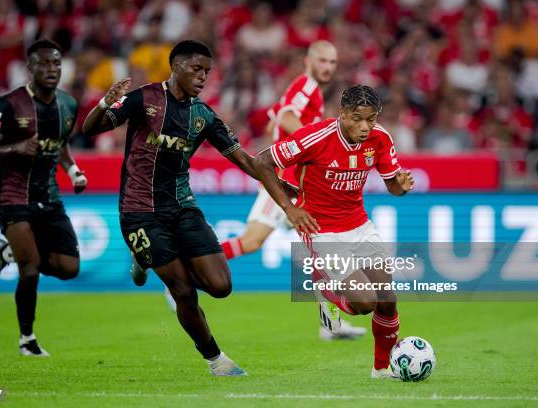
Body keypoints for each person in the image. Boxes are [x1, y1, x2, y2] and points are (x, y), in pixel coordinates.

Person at [81, 40, 290, 376]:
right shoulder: (144, 99)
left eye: (207, 71)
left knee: (221, 286)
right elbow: (90, 129)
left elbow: (245, 161)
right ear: (176, 65)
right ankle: (216, 360)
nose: (203, 76)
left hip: (183, 207)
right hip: (140, 211)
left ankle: (147, 259)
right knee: (182, 289)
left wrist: (279, 186)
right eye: (196, 68)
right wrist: (106, 101)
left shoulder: (203, 115)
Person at [253, 85, 414, 378]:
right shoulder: (316, 136)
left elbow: (392, 183)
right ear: (341, 114)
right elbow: (262, 162)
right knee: (366, 303)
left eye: (370, 119)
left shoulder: (380, 138)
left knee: (388, 299)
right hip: (321, 230)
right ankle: (326, 291)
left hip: (359, 225)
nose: (364, 127)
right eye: (357, 119)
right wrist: (289, 208)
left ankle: (381, 369)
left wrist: (400, 188)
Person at [220, 40, 366, 340]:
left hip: (296, 185)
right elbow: (286, 116)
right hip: (283, 184)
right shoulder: (307, 86)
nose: (328, 67)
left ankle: (331, 325)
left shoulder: (306, 89)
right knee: (252, 242)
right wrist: (314, 140)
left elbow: (276, 114)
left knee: (320, 249)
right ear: (308, 61)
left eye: (332, 62)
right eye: (323, 61)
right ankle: (187, 270)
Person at [0, 39, 88, 357]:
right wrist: (15, 148)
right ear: (30, 68)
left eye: (56, 63)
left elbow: (61, 144)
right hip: (13, 196)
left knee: (69, 268)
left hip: (49, 196)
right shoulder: (8, 104)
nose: (51, 69)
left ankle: (6, 253)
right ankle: (27, 339)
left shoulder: (68, 104)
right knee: (30, 270)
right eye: (44, 64)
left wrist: (74, 171)